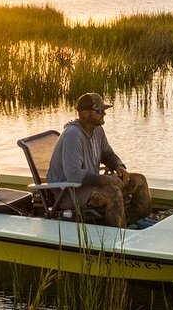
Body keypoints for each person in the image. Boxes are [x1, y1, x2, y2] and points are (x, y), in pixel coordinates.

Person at [46, 93, 153, 228]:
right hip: (69, 193)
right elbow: (73, 174)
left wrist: (119, 166)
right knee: (113, 193)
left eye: (104, 111)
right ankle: (118, 235)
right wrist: (107, 180)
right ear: (84, 113)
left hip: (89, 185)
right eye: (99, 111)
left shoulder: (98, 130)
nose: (104, 114)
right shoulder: (73, 135)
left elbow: (107, 154)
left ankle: (135, 223)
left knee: (139, 181)